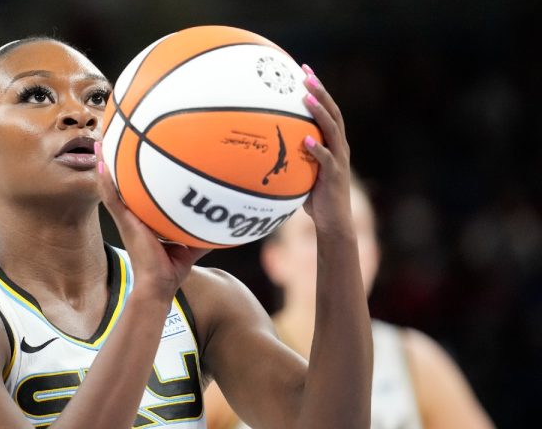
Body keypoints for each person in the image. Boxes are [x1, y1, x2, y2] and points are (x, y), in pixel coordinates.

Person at [0, 35, 373, 428]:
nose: (80, 114)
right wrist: (150, 299)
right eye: (36, 95)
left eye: (98, 98)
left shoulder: (205, 300)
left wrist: (336, 232)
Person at [204, 178, 495, 429]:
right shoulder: (229, 357)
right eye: (312, 232)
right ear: (275, 259)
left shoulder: (416, 360)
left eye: (354, 231)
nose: (338, 245)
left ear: (376, 256)